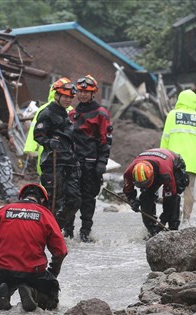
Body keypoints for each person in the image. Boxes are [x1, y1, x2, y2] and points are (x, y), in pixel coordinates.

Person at [0, 183, 67, 311]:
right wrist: (52, 273)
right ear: (42, 200)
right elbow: (60, 251)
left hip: (4, 270)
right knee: (51, 302)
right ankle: (33, 293)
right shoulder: (45, 214)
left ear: (21, 196)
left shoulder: (2, 211)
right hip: (34, 272)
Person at [66, 75, 113, 242]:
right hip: (73, 163)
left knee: (87, 199)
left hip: (91, 164)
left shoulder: (101, 114)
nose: (83, 94)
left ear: (94, 93)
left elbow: (105, 140)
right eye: (80, 91)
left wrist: (102, 162)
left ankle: (85, 231)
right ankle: (68, 231)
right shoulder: (72, 113)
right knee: (70, 197)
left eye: (87, 92)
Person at [33, 79, 81, 229]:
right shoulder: (46, 113)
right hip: (53, 163)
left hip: (69, 162)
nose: (68, 100)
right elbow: (38, 135)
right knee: (54, 200)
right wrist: (48, 143)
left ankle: (56, 227)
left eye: (70, 97)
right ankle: (46, 230)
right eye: (64, 96)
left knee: (74, 199)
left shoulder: (67, 115)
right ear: (57, 96)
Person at [160, 89, 196, 224]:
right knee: (189, 191)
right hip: (191, 162)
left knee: (171, 189)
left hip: (172, 160)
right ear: (195, 102)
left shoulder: (172, 115)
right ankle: (186, 220)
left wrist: (161, 159)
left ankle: (171, 218)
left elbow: (165, 138)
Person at [123, 148, 189, 237]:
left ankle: (173, 229)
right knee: (146, 196)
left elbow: (170, 197)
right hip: (153, 163)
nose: (144, 187)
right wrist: (132, 201)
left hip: (174, 164)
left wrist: (163, 220)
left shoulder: (165, 173)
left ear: (153, 176)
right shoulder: (129, 172)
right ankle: (151, 230)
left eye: (146, 184)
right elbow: (128, 189)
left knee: (174, 195)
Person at [23, 78, 73, 175]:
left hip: (66, 155)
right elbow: (35, 129)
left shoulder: (71, 111)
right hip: (48, 151)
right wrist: (30, 148)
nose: (68, 99)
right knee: (47, 180)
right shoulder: (46, 110)